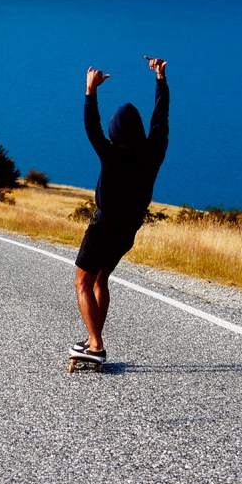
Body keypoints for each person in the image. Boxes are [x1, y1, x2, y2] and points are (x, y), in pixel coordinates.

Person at [71, 57, 169, 363]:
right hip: (128, 230)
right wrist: (160, 80)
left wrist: (90, 91)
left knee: (82, 282)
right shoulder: (153, 153)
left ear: (116, 130)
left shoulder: (111, 153)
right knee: (101, 280)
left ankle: (96, 345)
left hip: (103, 228)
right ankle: (93, 338)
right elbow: (160, 119)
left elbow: (91, 128)